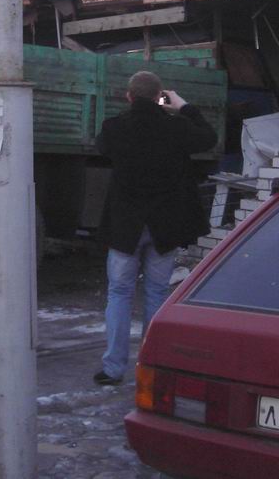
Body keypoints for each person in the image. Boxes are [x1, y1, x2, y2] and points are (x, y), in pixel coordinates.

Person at [93, 70, 217, 386]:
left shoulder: (114, 128)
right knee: (157, 293)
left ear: (129, 96)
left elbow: (102, 148)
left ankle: (113, 368)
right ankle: (153, 366)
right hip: (165, 227)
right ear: (160, 97)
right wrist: (184, 107)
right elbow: (209, 138)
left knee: (119, 292)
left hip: (125, 228)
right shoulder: (176, 128)